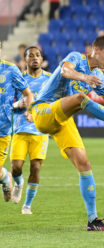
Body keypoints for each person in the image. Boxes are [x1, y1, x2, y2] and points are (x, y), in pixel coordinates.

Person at [29, 36, 104, 231]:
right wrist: (84, 77)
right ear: (95, 50)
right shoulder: (76, 58)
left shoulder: (98, 74)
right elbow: (65, 71)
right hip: (43, 111)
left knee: (84, 163)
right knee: (80, 98)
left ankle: (93, 220)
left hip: (63, 120)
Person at [10, 46, 50, 214]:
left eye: (38, 55)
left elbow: (54, 104)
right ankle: (18, 183)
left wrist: (39, 113)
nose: (35, 58)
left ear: (42, 59)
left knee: (36, 168)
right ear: (25, 60)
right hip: (20, 129)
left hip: (40, 131)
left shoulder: (49, 79)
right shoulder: (18, 79)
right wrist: (19, 105)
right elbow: (7, 104)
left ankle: (27, 205)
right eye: (31, 56)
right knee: (16, 168)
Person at [0, 41, 33, 202]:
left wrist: (28, 109)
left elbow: (27, 93)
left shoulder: (10, 70)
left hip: (2, 129)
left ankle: (5, 177)